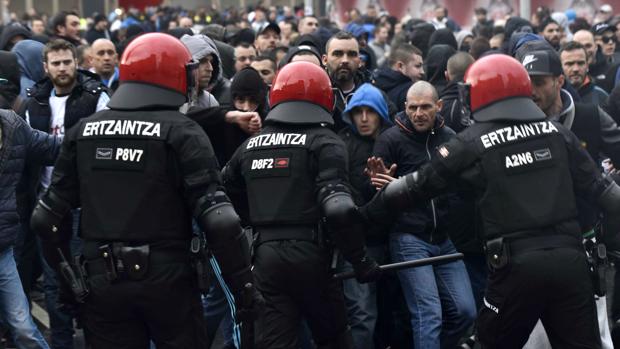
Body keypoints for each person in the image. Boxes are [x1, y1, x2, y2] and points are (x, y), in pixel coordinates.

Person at [364, 53, 620, 349]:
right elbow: (606, 194)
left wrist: (361, 218)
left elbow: (417, 186)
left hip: (514, 268)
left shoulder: (471, 141)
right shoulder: (557, 133)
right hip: (570, 264)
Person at [29, 32, 259, 349]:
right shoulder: (183, 131)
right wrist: (243, 285)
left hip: (102, 281)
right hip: (169, 281)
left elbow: (46, 218)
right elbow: (220, 219)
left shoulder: (84, 131)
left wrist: (70, 282)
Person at [223, 61, 381, 348]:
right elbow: (339, 209)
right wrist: (360, 259)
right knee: (334, 339)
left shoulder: (250, 146)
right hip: (313, 257)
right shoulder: (326, 143)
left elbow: (224, 199)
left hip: (265, 258)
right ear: (326, 96)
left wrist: (258, 216)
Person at [338, 83, 393, 349]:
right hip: (358, 243)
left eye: (369, 112)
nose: (362, 119)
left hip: (390, 240)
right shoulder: (342, 146)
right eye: (357, 112)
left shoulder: (393, 142)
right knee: (362, 313)